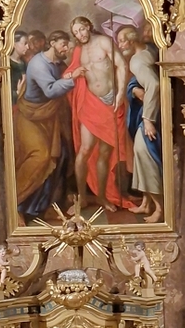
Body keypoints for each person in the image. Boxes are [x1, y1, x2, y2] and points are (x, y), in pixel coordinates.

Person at [65, 16, 134, 214]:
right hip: (90, 103)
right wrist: (72, 74)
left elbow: (121, 65)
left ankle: (102, 196)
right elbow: (70, 73)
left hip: (111, 103)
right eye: (76, 32)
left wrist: (120, 94)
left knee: (105, 152)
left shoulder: (104, 41)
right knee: (85, 150)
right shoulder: (78, 51)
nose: (80, 34)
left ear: (88, 26)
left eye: (81, 29)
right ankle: (82, 198)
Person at [14, 30, 84, 221]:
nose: (66, 49)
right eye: (63, 44)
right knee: (40, 157)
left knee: (58, 158)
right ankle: (16, 204)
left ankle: (44, 207)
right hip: (31, 117)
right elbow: (51, 90)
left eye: (68, 45)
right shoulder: (38, 64)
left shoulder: (55, 64)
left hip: (49, 117)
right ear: (52, 43)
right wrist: (73, 77)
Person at [116, 26, 163, 223]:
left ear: (132, 40)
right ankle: (146, 203)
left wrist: (148, 119)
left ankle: (159, 207)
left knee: (145, 154)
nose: (119, 45)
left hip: (148, 117)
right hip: (148, 114)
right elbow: (141, 82)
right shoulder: (149, 50)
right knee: (140, 155)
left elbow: (154, 84)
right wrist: (133, 88)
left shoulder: (137, 60)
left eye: (122, 41)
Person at [10, 30, 29, 104]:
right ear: (14, 44)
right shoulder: (8, 64)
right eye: (25, 43)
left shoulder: (24, 63)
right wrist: (18, 92)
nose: (27, 47)